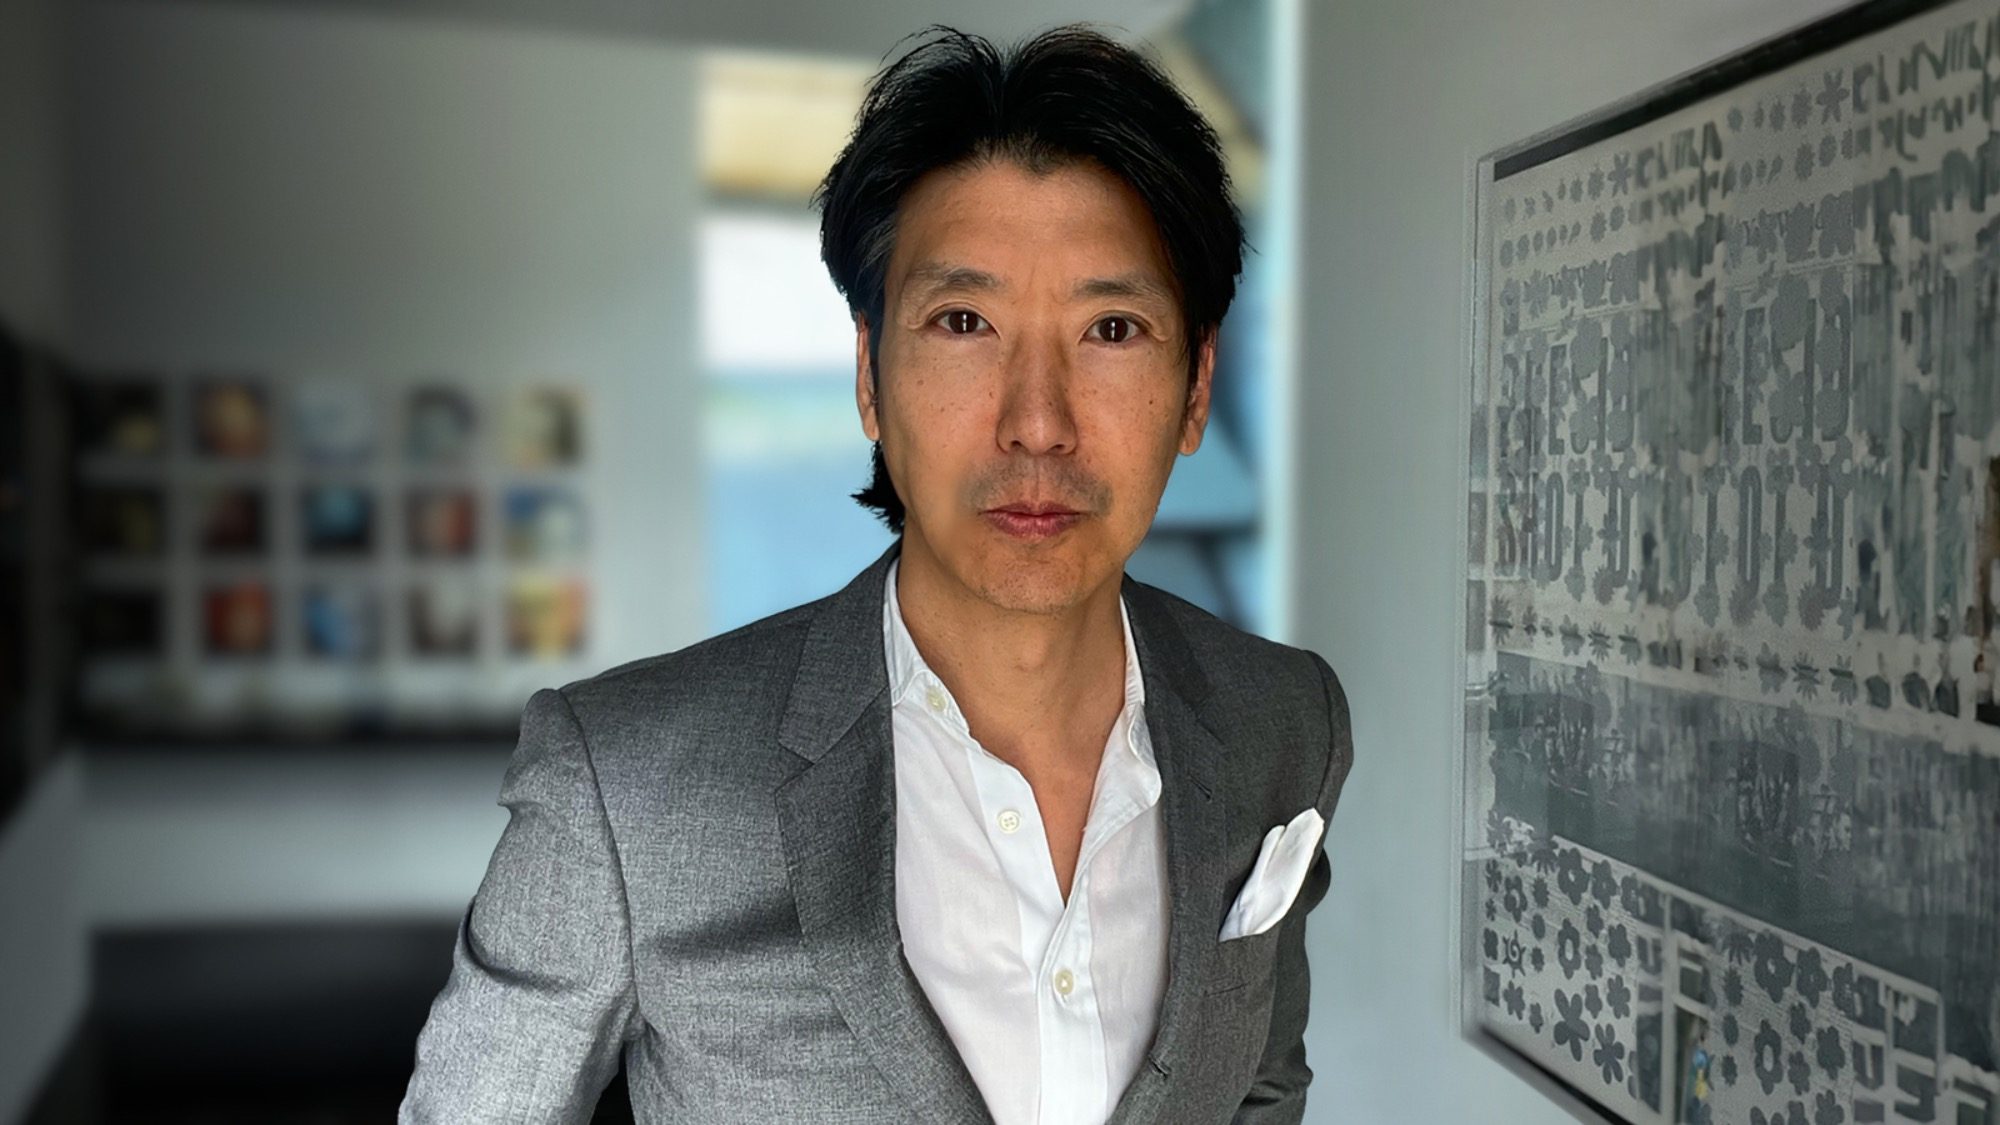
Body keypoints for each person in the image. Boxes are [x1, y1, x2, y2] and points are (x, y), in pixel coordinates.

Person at [401, 24, 1353, 1124]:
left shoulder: (1285, 719)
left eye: (1110, 327)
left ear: (1195, 388)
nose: (1037, 422)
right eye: (963, 321)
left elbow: (1260, 1085)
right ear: (869, 376)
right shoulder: (625, 785)